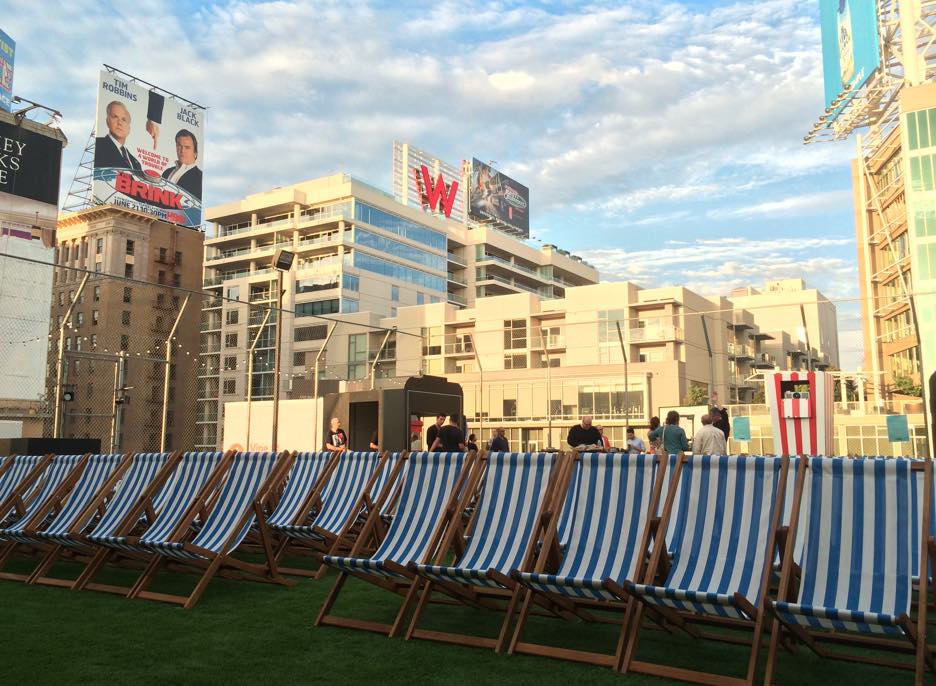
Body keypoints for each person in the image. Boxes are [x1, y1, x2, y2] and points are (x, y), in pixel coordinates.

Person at [94, 101, 142, 171]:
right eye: (115, 117)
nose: (119, 123)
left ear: (129, 128)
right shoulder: (98, 145)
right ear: (107, 121)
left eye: (124, 119)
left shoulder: (136, 163)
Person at [161, 129, 202, 200]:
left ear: (195, 152)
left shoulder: (200, 177)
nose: (182, 151)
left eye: (187, 147)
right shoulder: (167, 172)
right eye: (179, 146)